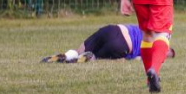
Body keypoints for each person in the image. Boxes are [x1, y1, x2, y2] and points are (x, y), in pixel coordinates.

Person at [41, 24, 176, 63]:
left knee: (79, 50)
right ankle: (89, 58)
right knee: (113, 59)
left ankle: (68, 55)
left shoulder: (144, 25)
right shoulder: (156, 44)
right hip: (122, 44)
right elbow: (165, 52)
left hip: (112, 29)